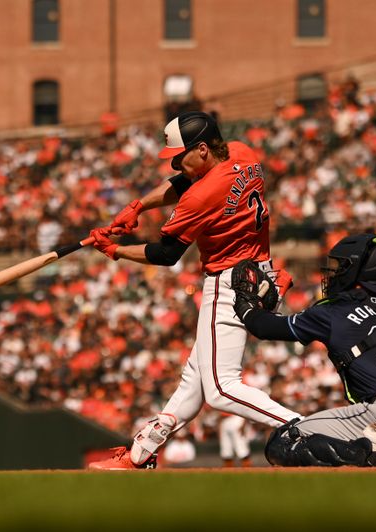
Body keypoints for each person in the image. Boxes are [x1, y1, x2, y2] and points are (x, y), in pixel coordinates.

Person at [87, 111, 300, 470]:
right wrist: (138, 206)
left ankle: (308, 430)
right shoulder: (243, 152)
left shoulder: (201, 195)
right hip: (258, 273)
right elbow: (183, 182)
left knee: (220, 388)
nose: (174, 162)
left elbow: (166, 254)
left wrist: (116, 251)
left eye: (179, 155)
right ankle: (141, 453)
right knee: (195, 380)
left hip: (229, 282)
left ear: (201, 149)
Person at [233, 233, 376, 468]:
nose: (334, 273)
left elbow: (265, 327)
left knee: (284, 441)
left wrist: (247, 307)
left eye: (341, 266)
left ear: (356, 270)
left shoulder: (334, 313)